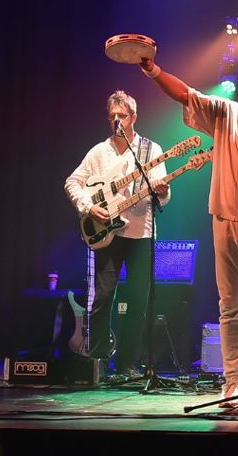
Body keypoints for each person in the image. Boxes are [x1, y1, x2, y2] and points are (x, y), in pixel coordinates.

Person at [137, 55, 238, 407]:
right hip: (226, 219)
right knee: (230, 307)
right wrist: (153, 70)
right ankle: (232, 381)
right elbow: (185, 94)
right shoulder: (227, 112)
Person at [64, 90, 170, 377]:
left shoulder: (151, 150)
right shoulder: (99, 152)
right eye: (112, 116)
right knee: (103, 297)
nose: (116, 121)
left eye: (121, 116)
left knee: (138, 300)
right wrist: (88, 207)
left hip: (141, 233)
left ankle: (128, 364)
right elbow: (72, 182)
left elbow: (162, 195)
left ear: (134, 117)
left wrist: (162, 191)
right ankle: (97, 362)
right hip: (107, 234)